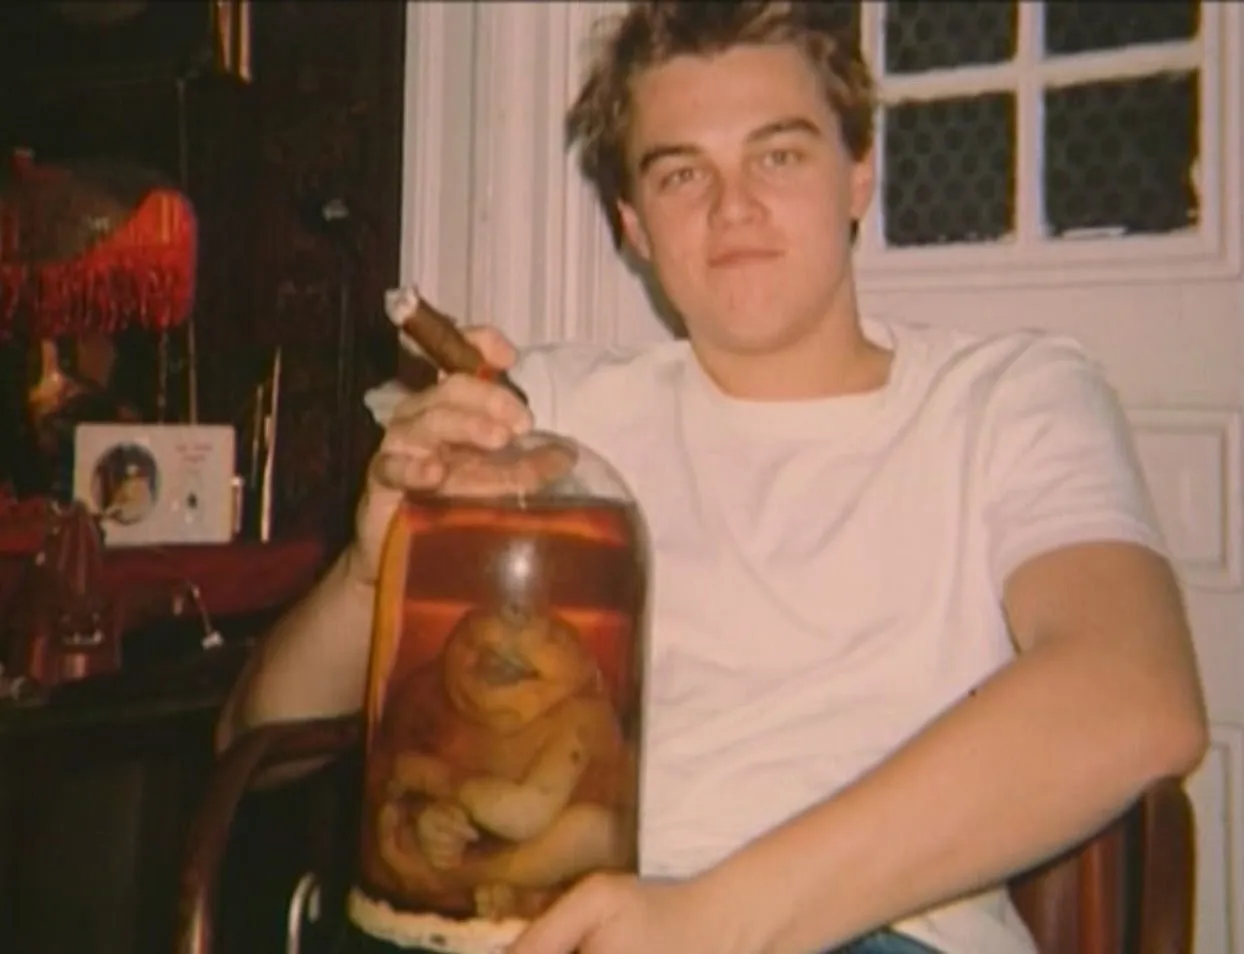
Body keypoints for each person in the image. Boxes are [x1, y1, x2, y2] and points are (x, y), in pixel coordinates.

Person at [217, 3, 1209, 953]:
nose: (733, 208)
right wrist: (372, 564)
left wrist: (708, 924)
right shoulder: (543, 417)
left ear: (858, 173)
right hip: (521, 922)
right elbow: (255, 740)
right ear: (634, 225)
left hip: (871, 932)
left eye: (778, 155)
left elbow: (1134, 695)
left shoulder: (1006, 398)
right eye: (682, 174)